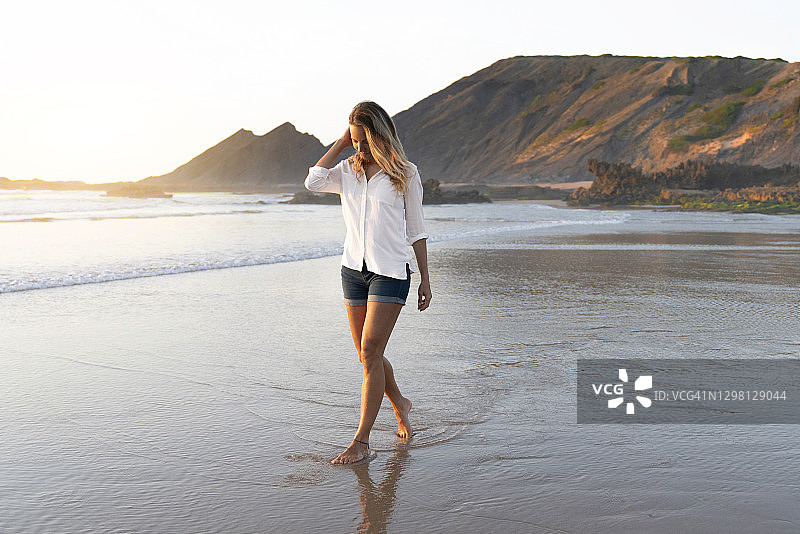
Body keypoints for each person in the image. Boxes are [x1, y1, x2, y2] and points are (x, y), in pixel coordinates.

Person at [304, 101, 431, 465]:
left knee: (371, 351)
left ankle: (361, 441)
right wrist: (341, 143)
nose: (359, 147)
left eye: (363, 140)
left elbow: (417, 230)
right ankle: (401, 404)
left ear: (380, 135)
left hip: (390, 272)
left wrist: (425, 279)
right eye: (355, 140)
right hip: (352, 272)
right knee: (366, 355)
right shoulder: (347, 170)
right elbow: (312, 181)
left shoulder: (405, 173)